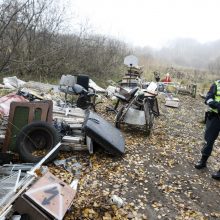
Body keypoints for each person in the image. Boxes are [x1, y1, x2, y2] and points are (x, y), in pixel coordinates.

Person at [195, 80, 220, 180]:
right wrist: (216, 105)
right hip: (214, 117)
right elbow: (208, 99)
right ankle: (203, 160)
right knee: (208, 140)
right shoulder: (217, 84)